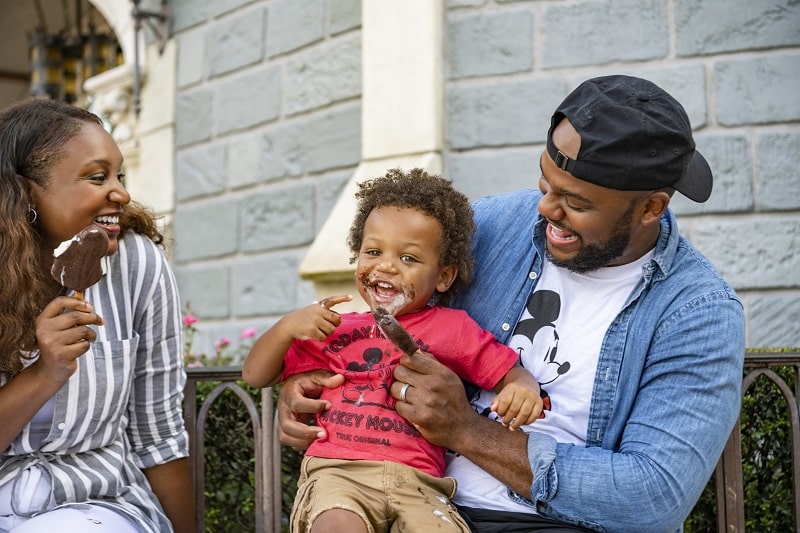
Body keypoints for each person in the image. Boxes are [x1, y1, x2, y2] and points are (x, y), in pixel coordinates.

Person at [277, 75, 746, 532]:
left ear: (650, 208)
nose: (545, 210)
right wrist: (307, 387)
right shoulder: (493, 225)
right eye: (545, 184)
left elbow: (652, 497)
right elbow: (387, 319)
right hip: (418, 497)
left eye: (575, 203)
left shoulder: (699, 312)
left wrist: (465, 430)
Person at [243, 168, 543, 533]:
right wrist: (286, 327)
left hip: (419, 485)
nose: (385, 265)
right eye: (373, 251)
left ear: (444, 276)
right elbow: (256, 375)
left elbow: (505, 369)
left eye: (409, 258)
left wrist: (523, 387)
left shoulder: (454, 328)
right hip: (339, 473)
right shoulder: (336, 328)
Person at [0, 99, 194, 533]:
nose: (121, 193)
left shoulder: (136, 263)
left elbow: (158, 435)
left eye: (120, 175)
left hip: (95, 504)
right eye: (96, 177)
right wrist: (44, 374)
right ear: (27, 192)